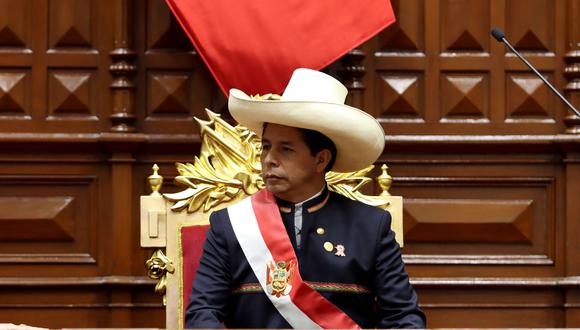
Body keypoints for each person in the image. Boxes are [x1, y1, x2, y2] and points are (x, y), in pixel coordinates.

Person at [185, 68, 426, 328]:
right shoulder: (230, 225)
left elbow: (402, 317)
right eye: (265, 147)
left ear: (320, 159)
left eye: (285, 149)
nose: (269, 159)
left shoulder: (370, 226)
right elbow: (202, 313)